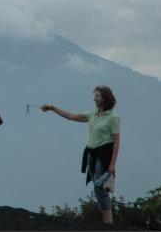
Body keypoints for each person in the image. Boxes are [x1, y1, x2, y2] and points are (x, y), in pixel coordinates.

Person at [41, 86, 121, 224]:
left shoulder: (113, 118)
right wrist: (53, 108)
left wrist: (112, 164)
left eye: (97, 96)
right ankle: (107, 221)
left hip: (103, 155)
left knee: (99, 187)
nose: (94, 98)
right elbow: (72, 116)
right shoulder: (93, 114)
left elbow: (116, 142)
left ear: (104, 99)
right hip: (91, 154)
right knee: (98, 187)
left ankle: (108, 222)